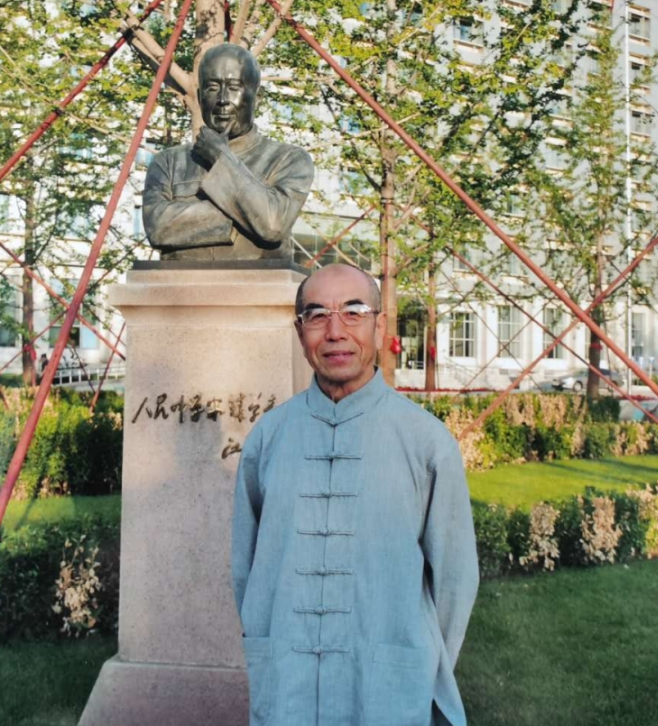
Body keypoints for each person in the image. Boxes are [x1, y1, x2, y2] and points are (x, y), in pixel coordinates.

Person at [231, 263, 479, 726]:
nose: (335, 332)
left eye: (353, 312)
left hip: (386, 688)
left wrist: (414, 658)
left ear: (380, 326)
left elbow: (455, 580)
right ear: (299, 331)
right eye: (317, 315)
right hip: (288, 685)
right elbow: (247, 571)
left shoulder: (426, 442)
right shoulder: (269, 437)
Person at [143, 43, 315, 262]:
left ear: (257, 98)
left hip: (260, 281)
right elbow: (157, 228)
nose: (223, 99)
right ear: (200, 97)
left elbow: (273, 224)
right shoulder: (168, 162)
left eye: (234, 87)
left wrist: (220, 157)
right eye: (212, 88)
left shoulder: (289, 159)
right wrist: (247, 213)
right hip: (178, 281)